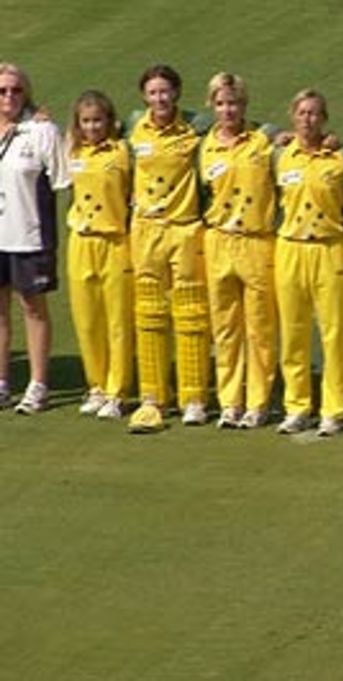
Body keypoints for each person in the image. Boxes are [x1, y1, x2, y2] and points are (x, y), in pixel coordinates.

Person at [126, 65, 212, 431]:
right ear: (144, 96)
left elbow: (243, 123)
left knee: (190, 313)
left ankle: (194, 397)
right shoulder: (133, 126)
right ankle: (152, 395)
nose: (160, 99)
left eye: (165, 92)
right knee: (148, 311)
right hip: (145, 229)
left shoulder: (197, 126)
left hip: (185, 228)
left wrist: (278, 134)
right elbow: (90, 127)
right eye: (153, 93)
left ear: (176, 93)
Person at [199, 72, 277, 429]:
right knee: (225, 328)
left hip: (257, 241)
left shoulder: (264, 142)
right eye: (221, 103)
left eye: (233, 103)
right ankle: (230, 401)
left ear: (244, 105)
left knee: (259, 328)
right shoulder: (205, 146)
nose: (227, 110)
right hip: (218, 241)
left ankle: (258, 401)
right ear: (211, 106)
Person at [274, 89, 343, 436]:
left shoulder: (341, 157)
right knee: (293, 334)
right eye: (302, 113)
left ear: (324, 119)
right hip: (291, 248)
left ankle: (333, 409)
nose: (308, 119)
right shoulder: (278, 155)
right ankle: (297, 405)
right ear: (293, 117)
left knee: (333, 333)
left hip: (328, 248)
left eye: (314, 113)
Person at [0, 63, 70, 413]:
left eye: (16, 90)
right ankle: (1, 383)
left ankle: (38, 383)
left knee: (33, 308)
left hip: (30, 236)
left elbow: (62, 180)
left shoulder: (41, 131)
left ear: (27, 93)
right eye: (2, 91)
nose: (9, 97)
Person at [66, 90, 134, 420]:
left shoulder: (122, 150)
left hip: (114, 241)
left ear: (110, 121)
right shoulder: (74, 150)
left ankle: (117, 391)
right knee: (87, 320)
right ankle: (96, 386)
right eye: (86, 121)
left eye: (98, 120)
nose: (92, 127)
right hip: (81, 240)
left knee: (117, 320)